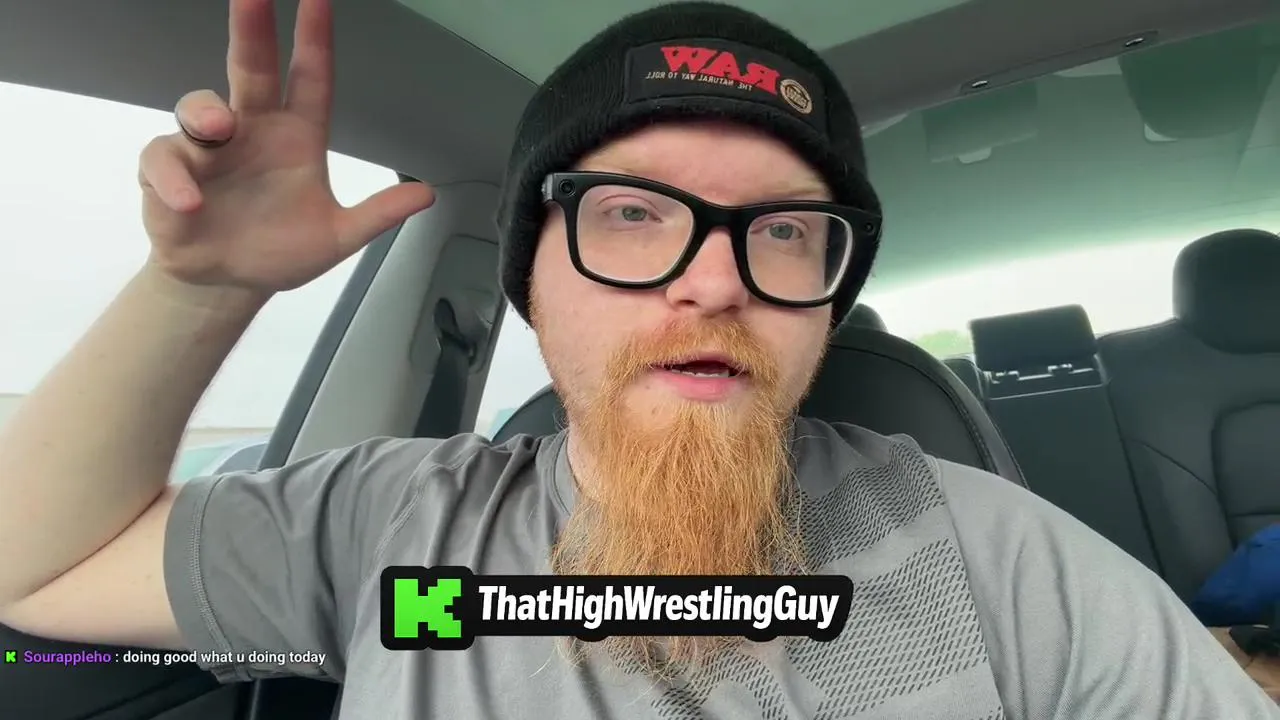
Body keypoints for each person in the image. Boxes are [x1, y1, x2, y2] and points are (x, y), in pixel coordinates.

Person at [0, 0, 1274, 717]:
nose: (712, 279)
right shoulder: (388, 526)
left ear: (824, 306)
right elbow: (37, 576)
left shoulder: (993, 552)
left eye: (783, 231)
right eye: (628, 215)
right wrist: (196, 289)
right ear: (529, 284)